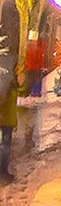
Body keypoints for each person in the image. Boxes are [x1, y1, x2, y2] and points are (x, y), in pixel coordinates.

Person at [1, 49, 18, 184]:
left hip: (8, 120)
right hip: (4, 121)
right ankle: (3, 174)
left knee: (5, 147)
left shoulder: (11, 84)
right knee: (4, 147)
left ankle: (3, 172)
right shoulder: (5, 85)